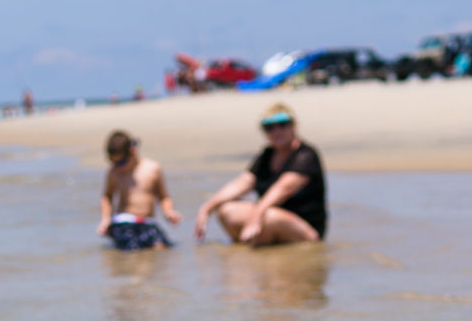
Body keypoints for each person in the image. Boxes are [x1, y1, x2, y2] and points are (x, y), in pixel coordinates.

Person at [194, 106, 326, 246]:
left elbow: (283, 189)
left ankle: (256, 246)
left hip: (305, 230)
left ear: (293, 125)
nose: (276, 131)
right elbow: (243, 182)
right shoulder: (267, 154)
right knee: (226, 210)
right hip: (269, 216)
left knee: (269, 217)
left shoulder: (306, 155)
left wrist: (256, 216)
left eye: (282, 124)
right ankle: (247, 249)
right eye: (270, 127)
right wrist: (206, 209)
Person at [98, 131, 182, 251]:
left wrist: (168, 212)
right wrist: (106, 219)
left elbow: (163, 197)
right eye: (113, 162)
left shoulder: (152, 169)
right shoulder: (113, 172)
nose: (117, 166)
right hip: (124, 221)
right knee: (133, 250)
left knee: (162, 247)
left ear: (133, 151)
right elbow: (107, 197)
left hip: (147, 222)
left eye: (121, 162)